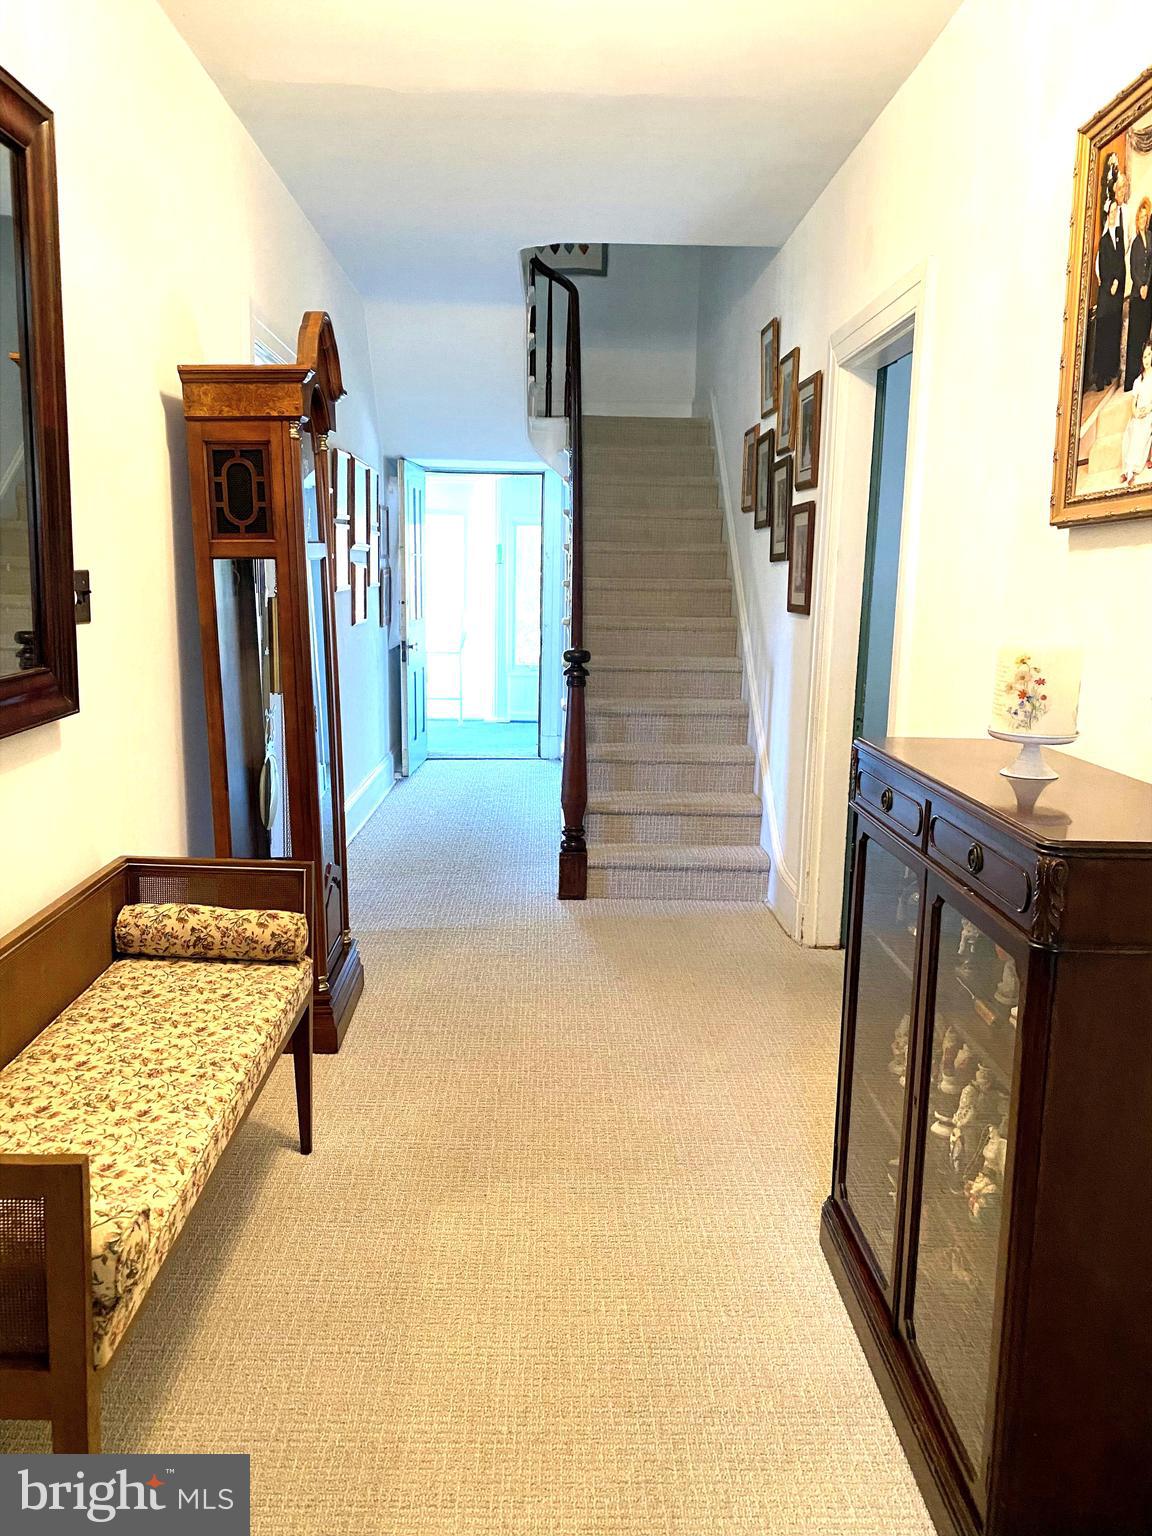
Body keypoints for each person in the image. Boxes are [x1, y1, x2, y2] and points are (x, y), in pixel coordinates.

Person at [1093, 198, 1126, 389]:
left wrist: (1117, 281)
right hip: (1106, 294)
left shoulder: (1119, 235)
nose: (1113, 215)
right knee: (1104, 333)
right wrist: (1110, 283)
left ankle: (1108, 372)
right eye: (1111, 212)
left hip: (1116, 291)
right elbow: (1103, 267)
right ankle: (1100, 375)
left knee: (1113, 332)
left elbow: (1120, 262)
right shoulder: (1104, 240)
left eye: (1116, 212)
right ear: (1107, 215)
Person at [1125, 198, 1152, 389]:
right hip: (1137, 294)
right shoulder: (1135, 243)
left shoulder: (1150, 237)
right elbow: (1133, 268)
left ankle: (1145, 374)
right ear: (1137, 220)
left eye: (1145, 217)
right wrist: (1141, 285)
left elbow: (1150, 265)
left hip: (1147, 293)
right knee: (1135, 336)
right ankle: (1131, 380)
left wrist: (1148, 284)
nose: (1143, 220)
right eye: (1140, 217)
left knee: (1145, 334)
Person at [1120, 340, 1152, 483]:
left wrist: (1149, 409)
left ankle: (1131, 469)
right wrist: (1135, 413)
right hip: (1139, 414)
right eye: (1144, 356)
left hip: (1150, 412)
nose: (1147, 359)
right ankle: (1128, 469)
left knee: (1142, 429)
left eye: (1149, 355)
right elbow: (1133, 404)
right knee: (1131, 429)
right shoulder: (1138, 381)